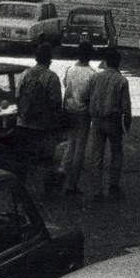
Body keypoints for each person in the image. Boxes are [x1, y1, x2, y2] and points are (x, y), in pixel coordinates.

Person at [14, 42, 64, 193]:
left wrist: (23, 112)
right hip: (44, 125)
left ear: (35, 58)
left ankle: (19, 187)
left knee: (23, 158)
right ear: (50, 59)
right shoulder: (52, 77)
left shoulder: (25, 74)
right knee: (45, 158)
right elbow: (56, 102)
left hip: (23, 122)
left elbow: (17, 97)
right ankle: (45, 189)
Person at [86, 47, 132, 199]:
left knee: (97, 154)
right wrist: (127, 121)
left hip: (97, 119)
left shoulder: (96, 77)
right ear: (118, 63)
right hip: (113, 120)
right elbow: (126, 105)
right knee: (116, 153)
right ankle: (113, 186)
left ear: (105, 62)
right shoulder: (121, 81)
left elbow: (89, 97)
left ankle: (96, 190)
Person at [60, 40, 96, 194]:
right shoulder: (92, 74)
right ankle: (72, 184)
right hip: (83, 113)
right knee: (80, 148)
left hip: (68, 110)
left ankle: (62, 171)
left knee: (70, 143)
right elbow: (92, 96)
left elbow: (65, 84)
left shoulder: (70, 70)